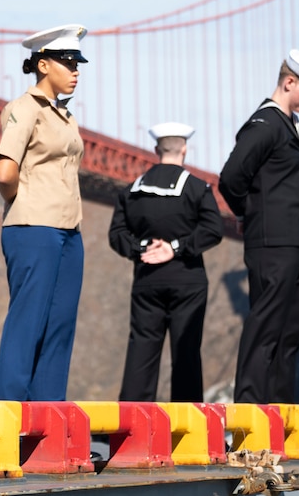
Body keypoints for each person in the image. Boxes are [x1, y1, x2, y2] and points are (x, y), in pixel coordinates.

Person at [219, 49, 299, 404]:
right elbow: (231, 178)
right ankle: (250, 410)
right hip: (272, 244)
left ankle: (282, 413)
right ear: (289, 82)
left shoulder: (294, 129)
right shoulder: (264, 125)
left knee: (290, 333)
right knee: (265, 328)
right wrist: (247, 216)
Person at [0, 24, 88, 401]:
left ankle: (48, 421)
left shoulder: (64, 116)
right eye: (68, 61)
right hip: (33, 227)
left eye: (78, 62)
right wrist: (25, 200)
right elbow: (5, 172)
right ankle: (9, 419)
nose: (76, 69)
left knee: (59, 327)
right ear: (44, 65)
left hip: (69, 230)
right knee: (28, 322)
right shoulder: (23, 109)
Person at [108, 123, 223, 403]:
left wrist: (142, 248)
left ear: (156, 150)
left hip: (147, 280)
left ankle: (131, 427)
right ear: (184, 149)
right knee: (186, 355)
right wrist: (176, 247)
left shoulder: (131, 192)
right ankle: (185, 430)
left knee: (141, 354)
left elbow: (116, 234)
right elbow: (213, 230)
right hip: (188, 282)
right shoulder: (198, 189)